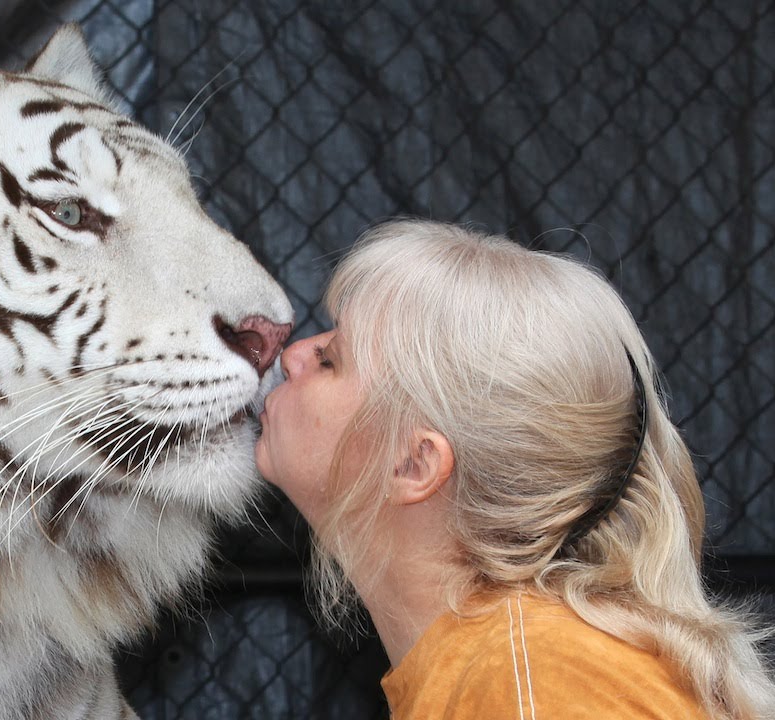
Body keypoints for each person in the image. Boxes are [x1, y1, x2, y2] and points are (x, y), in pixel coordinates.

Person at [255, 219, 775, 719]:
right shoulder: (517, 665)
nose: (294, 355)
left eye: (331, 359)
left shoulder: (534, 685)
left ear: (415, 464)